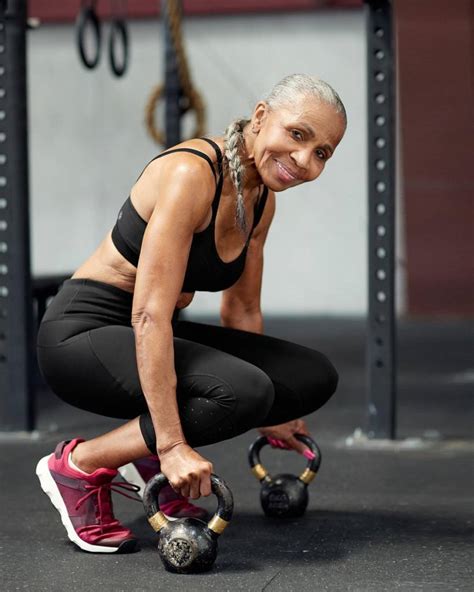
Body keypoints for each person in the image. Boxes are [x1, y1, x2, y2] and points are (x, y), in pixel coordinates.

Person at [35, 73, 347, 554]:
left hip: (142, 332)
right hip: (84, 335)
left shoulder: (260, 199)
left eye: (322, 153)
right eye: (298, 135)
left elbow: (241, 308)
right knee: (240, 392)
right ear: (261, 117)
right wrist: (173, 444)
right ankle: (78, 466)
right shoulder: (192, 173)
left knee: (309, 377)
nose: (304, 161)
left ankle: (139, 456)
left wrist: (272, 411)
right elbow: (149, 315)